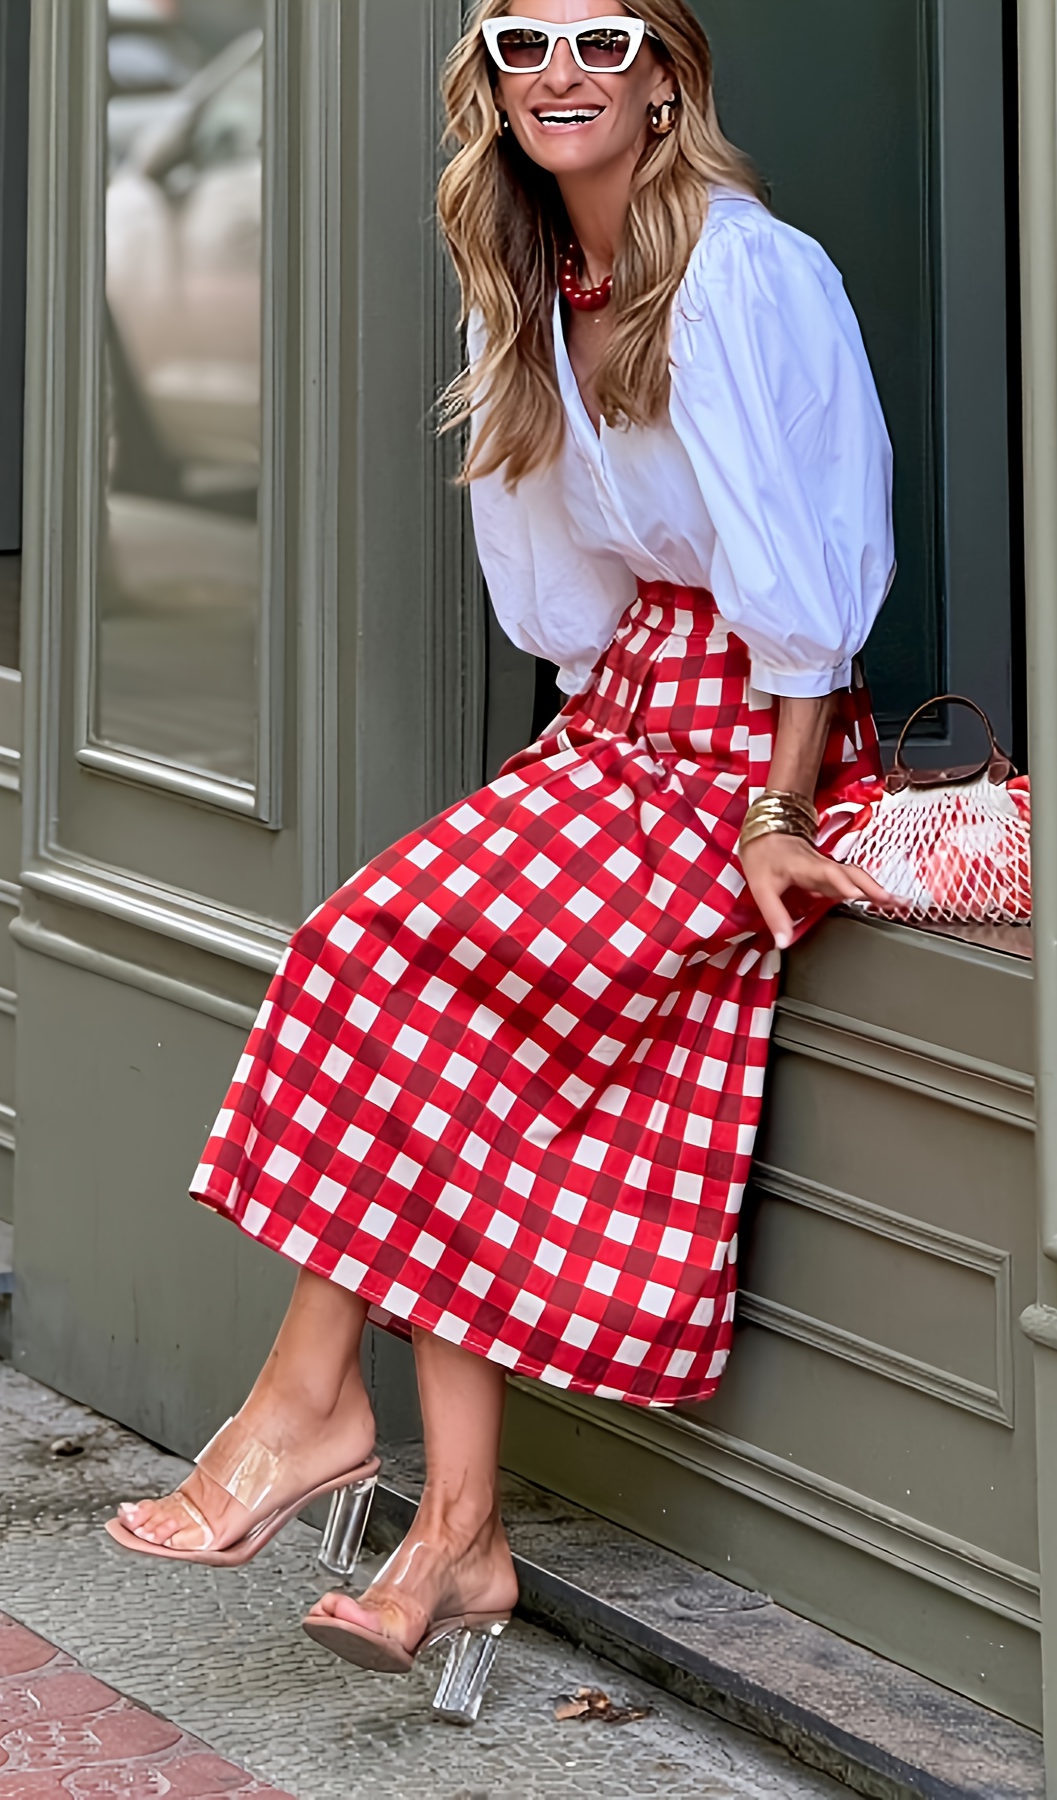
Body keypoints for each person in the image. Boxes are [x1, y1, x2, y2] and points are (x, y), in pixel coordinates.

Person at [106, 0, 896, 1720]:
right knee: (437, 1050)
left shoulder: (749, 272)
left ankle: (309, 1405)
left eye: (600, 39)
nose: (560, 73)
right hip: (623, 720)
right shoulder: (539, 284)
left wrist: (774, 808)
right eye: (519, 42)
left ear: (666, 74)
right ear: (487, 82)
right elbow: (566, 601)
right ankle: (455, 1529)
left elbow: (812, 582)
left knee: (363, 952)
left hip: (749, 744)